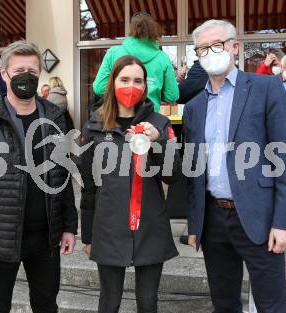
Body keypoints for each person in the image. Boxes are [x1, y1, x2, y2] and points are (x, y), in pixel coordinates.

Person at [184, 20, 286, 313]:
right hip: (213, 220)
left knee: (271, 304)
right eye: (203, 48)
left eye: (218, 45)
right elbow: (194, 171)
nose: (211, 52)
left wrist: (284, 221)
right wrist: (195, 223)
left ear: (235, 47)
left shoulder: (266, 87)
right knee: (223, 303)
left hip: (259, 216)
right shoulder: (195, 106)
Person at [0, 40, 78, 313]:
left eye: (32, 72)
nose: (26, 77)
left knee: (46, 306)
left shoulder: (56, 116)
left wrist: (69, 224)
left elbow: (64, 174)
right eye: (19, 70)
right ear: (3, 73)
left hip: (45, 239)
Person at [81, 55, 181, 313]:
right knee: (109, 301)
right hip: (108, 226)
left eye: (138, 81)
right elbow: (89, 185)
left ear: (145, 86)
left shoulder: (159, 122)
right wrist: (88, 234)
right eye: (124, 79)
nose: (131, 86)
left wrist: (159, 142)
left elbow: (172, 175)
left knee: (148, 302)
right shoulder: (94, 125)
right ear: (112, 82)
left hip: (150, 225)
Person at [92, 12, 179, 112]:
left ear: (131, 29)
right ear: (153, 29)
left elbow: (99, 88)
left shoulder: (114, 52)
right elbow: (172, 96)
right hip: (149, 117)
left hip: (118, 115)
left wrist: (122, 95)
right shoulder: (162, 58)